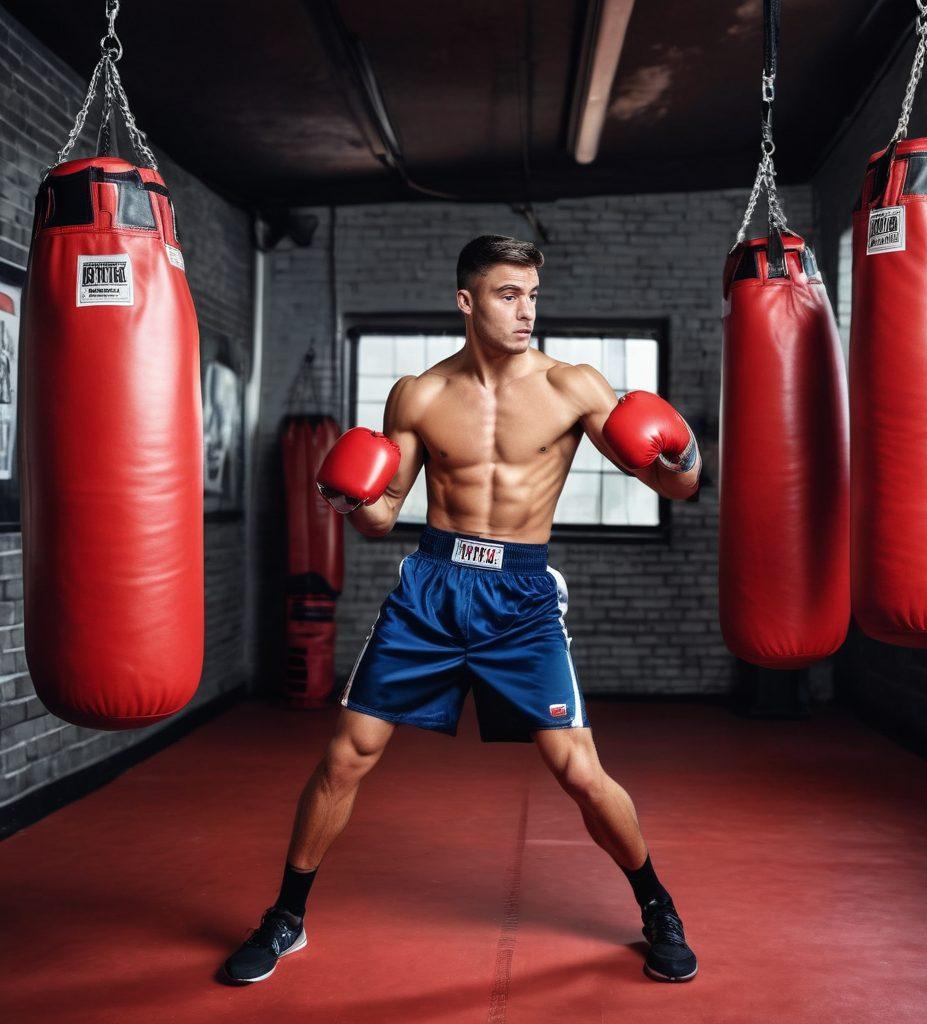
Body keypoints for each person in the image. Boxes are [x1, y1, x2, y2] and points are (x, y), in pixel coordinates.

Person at [223, 235, 702, 985]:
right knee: (346, 755)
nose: (526, 311)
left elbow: (675, 488)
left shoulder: (573, 387)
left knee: (577, 770)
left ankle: (657, 906)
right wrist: (348, 501)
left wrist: (686, 451)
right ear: (467, 301)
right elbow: (382, 518)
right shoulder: (418, 394)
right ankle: (286, 917)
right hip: (432, 589)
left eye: (533, 295)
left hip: (520, 595)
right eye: (509, 295)